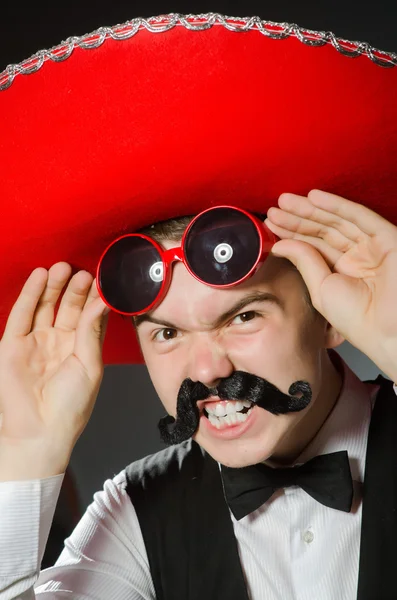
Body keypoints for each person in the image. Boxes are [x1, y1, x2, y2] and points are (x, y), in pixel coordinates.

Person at [0, 12, 397, 600]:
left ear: (329, 316)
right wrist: (25, 455)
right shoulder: (135, 513)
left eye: (243, 317)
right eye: (166, 334)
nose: (208, 371)